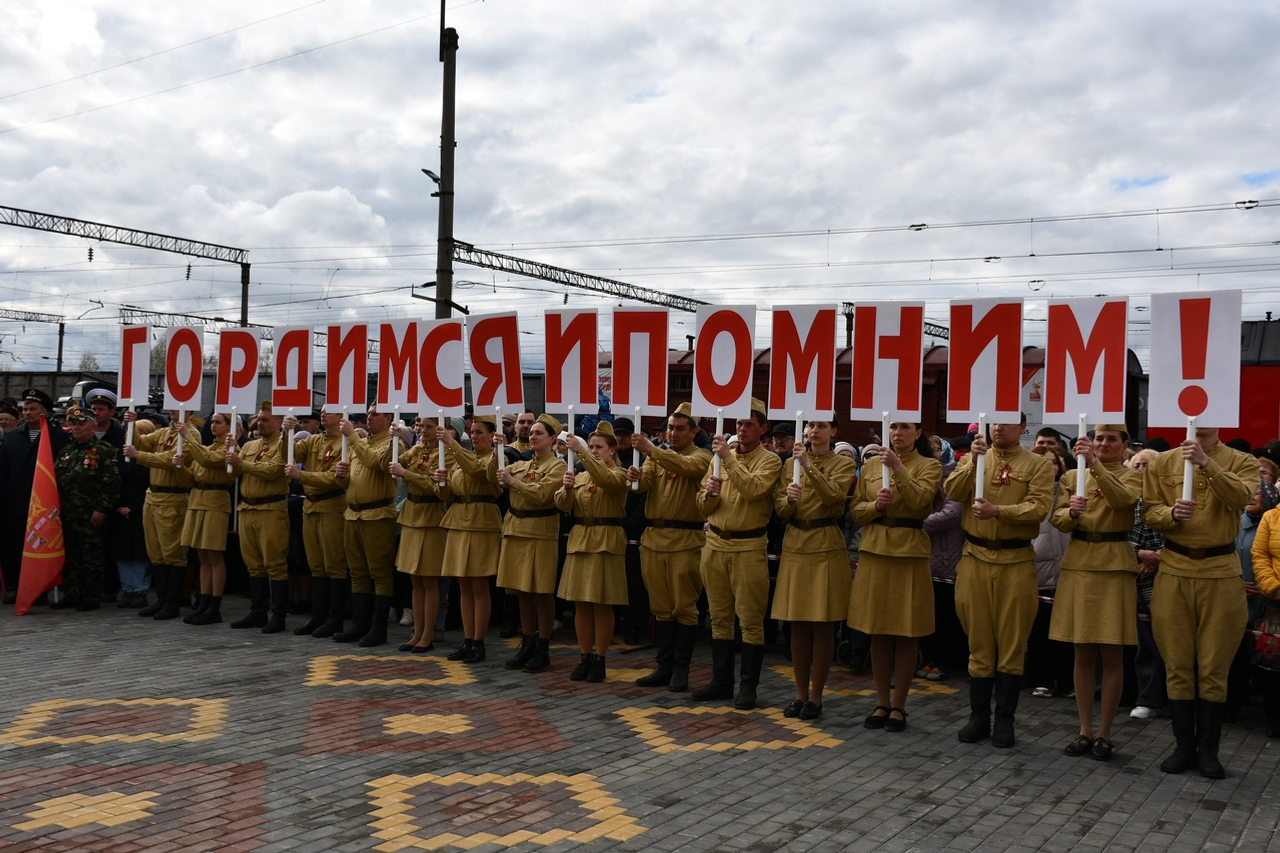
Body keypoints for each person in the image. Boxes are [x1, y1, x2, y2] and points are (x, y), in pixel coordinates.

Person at [1143, 424, 1260, 779]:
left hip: (1221, 572)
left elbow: (1242, 498)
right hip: (1174, 568)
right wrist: (1170, 515)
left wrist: (1207, 463)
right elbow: (1148, 511)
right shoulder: (1162, 463)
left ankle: (1209, 751)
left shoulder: (1243, 461)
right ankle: (1183, 746)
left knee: (1213, 668)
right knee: (1177, 664)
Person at [944, 412, 1054, 747]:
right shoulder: (977, 457)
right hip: (975, 557)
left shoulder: (1037, 464)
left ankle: (1005, 719)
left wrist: (1001, 512)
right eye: (993, 422)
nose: (997, 427)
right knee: (978, 639)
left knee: (1011, 642)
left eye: (1006, 422)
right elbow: (952, 490)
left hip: (1015, 558)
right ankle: (978, 716)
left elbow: (1038, 508)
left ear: (1022, 427)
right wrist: (972, 461)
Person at [1049, 425, 1143, 762]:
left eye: (1111, 439)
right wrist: (1072, 512)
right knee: (1082, 651)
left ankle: (1105, 733)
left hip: (1115, 563)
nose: (1103, 444)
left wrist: (1094, 464)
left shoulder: (1132, 475)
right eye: (1098, 438)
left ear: (1124, 445)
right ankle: (1085, 730)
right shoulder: (1072, 477)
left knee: (1113, 654)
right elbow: (1058, 519)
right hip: (1079, 562)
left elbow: (1123, 500)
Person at [848, 421, 942, 730]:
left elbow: (920, 502)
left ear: (918, 433)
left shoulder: (929, 465)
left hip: (909, 552)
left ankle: (899, 705)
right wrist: (875, 506)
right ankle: (880, 702)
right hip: (875, 548)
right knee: (877, 629)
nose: (898, 433)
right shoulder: (872, 464)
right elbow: (856, 511)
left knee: (905, 631)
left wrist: (899, 468)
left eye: (906, 427)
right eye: (894, 427)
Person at [694, 398, 783, 710]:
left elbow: (754, 490)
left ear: (762, 428)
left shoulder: (769, 461)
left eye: (749, 424)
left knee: (749, 619)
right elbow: (702, 506)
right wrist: (710, 494)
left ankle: (748, 686)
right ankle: (721, 682)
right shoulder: (720, 459)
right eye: (739, 424)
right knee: (718, 617)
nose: (742, 430)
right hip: (715, 543)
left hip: (748, 546)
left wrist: (727, 461)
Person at [774, 417, 857, 721]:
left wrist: (808, 466)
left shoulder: (842, 463)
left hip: (825, 541)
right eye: (810, 425)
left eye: (822, 425)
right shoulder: (789, 464)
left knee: (823, 622)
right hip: (796, 540)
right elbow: (779, 508)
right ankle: (798, 693)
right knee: (796, 622)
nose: (814, 430)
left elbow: (835, 496)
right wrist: (788, 500)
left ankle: (816, 696)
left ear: (834, 431)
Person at [628, 403, 713, 692]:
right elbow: (648, 478)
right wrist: (637, 477)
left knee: (684, 608)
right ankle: (664, 666)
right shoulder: (658, 455)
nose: (672, 433)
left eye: (679, 429)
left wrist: (652, 449)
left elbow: (686, 467)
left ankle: (681, 668)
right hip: (654, 538)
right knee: (661, 607)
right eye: (669, 428)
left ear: (695, 432)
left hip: (685, 540)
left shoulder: (703, 456)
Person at [556, 421, 630, 682]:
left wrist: (583, 452)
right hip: (580, 538)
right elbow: (564, 505)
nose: (595, 451)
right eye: (593, 447)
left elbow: (607, 479)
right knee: (581, 604)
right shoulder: (580, 474)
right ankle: (584, 656)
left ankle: (600, 658)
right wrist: (565, 487)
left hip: (605, 540)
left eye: (600, 447)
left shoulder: (620, 473)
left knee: (601, 603)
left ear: (612, 450)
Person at [492, 414, 566, 671]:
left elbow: (544, 495)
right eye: (531, 433)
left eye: (539, 433)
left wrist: (514, 483)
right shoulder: (522, 464)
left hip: (541, 530)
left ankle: (543, 645)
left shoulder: (558, 467)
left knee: (542, 591)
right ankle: (527, 641)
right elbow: (494, 478)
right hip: (517, 528)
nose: (532, 436)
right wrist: (497, 450)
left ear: (553, 439)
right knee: (521, 590)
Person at [435, 416, 503, 663]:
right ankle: (467, 640)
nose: (475, 436)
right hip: (459, 519)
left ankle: (479, 642)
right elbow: (448, 491)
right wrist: (441, 481)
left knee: (478, 585)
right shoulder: (462, 457)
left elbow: (479, 472)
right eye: (472, 432)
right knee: (463, 585)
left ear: (491, 435)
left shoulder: (495, 457)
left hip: (481, 521)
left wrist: (453, 445)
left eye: (480, 432)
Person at [338, 405, 403, 647]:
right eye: (369, 413)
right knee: (357, 572)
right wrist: (341, 474)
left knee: (380, 573)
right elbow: (351, 478)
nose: (369, 417)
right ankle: (359, 624)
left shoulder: (393, 442)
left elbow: (375, 462)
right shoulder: (363, 442)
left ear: (388, 418)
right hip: (353, 513)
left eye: (375, 414)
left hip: (377, 514)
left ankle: (378, 628)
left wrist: (353, 436)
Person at [284, 408, 350, 637]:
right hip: (311, 505)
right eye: (322, 412)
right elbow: (291, 452)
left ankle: (335, 618)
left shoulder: (345, 442)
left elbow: (336, 479)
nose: (324, 415)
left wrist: (302, 476)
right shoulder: (314, 440)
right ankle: (319, 615)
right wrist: (287, 430)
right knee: (316, 565)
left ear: (342, 417)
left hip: (332, 506)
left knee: (334, 564)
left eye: (330, 412)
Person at [124, 410, 196, 620]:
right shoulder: (164, 432)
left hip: (173, 497)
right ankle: (162, 599)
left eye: (177, 407)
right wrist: (131, 426)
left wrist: (140, 456)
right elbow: (142, 443)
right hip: (153, 496)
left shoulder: (192, 434)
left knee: (173, 553)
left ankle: (173, 602)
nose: (172, 411)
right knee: (156, 553)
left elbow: (170, 459)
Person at [1, 389, 70, 603]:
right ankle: (25, 589)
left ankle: (44, 590)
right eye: (25, 409)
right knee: (18, 549)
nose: (27, 412)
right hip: (17, 505)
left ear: (44, 412)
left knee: (44, 547)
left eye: (32, 409)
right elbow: (4, 471)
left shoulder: (59, 436)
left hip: (46, 508)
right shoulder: (13, 437)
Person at [389, 414, 450, 653]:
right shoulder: (416, 449)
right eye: (421, 426)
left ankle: (428, 634)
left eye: (429, 427)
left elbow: (438, 488)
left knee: (429, 579)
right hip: (412, 514)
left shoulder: (446, 453)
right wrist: (392, 440)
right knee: (415, 580)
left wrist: (408, 474)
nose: (423, 430)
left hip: (432, 515)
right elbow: (393, 462)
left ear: (440, 429)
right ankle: (416, 633)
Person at [227, 403, 290, 633]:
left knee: (275, 564)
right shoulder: (251, 445)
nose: (260, 423)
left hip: (271, 508)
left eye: (265, 420)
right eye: (259, 419)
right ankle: (258, 611)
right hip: (248, 508)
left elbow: (273, 471)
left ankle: (279, 614)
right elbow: (233, 473)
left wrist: (242, 463)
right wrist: (232, 455)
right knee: (254, 564)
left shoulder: (284, 446)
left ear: (278, 422)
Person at [51, 406, 120, 610]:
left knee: (92, 557)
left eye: (81, 424)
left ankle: (91, 595)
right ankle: (72, 593)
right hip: (67, 514)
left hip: (91, 514)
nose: (75, 428)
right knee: (72, 556)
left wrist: (102, 509)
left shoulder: (103, 450)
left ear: (93, 426)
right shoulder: (66, 451)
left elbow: (112, 484)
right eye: (73, 424)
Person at [174, 412, 238, 625]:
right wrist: (180, 466)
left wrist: (189, 438)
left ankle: (214, 605)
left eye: (218, 422)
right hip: (198, 500)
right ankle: (203, 602)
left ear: (229, 426)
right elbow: (191, 477)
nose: (213, 426)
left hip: (215, 501)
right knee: (202, 557)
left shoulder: (230, 450)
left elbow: (208, 461)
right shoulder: (207, 448)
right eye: (212, 422)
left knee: (214, 556)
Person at [1126, 448, 1167, 722]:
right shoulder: (1127, 501)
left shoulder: (1167, 498)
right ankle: (1147, 698)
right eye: (1136, 464)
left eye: (1146, 465)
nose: (1141, 469)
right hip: (1139, 580)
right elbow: (1118, 536)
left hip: (1168, 578)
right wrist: (1139, 554)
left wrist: (1161, 556)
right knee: (1146, 646)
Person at [113, 417, 153, 609]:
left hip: (140, 511)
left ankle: (140, 590)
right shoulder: (121, 458)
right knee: (122, 553)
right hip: (121, 511)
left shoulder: (149, 459)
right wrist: (119, 505)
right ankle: (127, 589)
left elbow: (149, 486)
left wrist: (134, 507)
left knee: (138, 554)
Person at [1250, 489, 1280, 737]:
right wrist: (1273, 587)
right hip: (1274, 600)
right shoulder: (1271, 517)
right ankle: (1275, 717)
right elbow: (1259, 555)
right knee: (1271, 664)